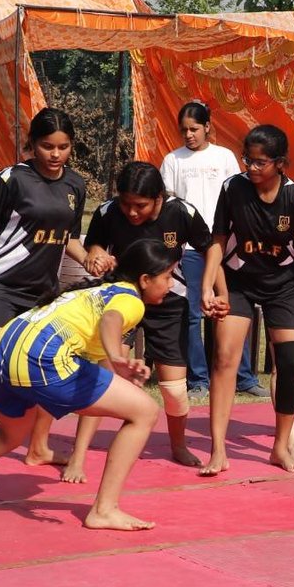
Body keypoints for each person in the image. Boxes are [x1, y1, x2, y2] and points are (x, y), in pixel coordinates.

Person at [0, 239, 174, 531]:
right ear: (145, 280)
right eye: (168, 276)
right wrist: (117, 357)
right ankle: (104, 510)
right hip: (41, 358)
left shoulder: (94, 290)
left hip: (0, 353)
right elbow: (111, 320)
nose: (171, 284)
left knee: (8, 434)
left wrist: (114, 364)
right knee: (145, 411)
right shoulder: (130, 300)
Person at [0, 107, 89, 492]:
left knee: (39, 368)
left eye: (63, 147)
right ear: (32, 144)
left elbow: (69, 239)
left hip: (41, 293)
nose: (55, 154)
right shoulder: (11, 179)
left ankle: (38, 448)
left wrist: (89, 257)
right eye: (47, 146)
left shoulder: (75, 186)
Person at [61, 161, 212, 483]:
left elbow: (210, 247)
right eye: (126, 204)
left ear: (158, 198)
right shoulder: (107, 212)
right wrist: (95, 256)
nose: (131, 212)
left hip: (168, 302)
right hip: (122, 299)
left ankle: (178, 445)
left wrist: (212, 288)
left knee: (174, 389)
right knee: (103, 380)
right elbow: (93, 244)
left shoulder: (181, 212)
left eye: (140, 205)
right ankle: (77, 455)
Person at [201, 124, 294, 475]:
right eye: (248, 160)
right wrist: (208, 287)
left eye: (260, 162)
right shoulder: (233, 188)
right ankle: (218, 450)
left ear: (280, 163)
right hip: (239, 283)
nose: (252, 167)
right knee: (224, 358)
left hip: (283, 286)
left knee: (291, 362)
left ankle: (280, 446)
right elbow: (217, 239)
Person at [158, 100, 269, 400]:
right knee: (193, 313)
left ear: (207, 127)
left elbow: (239, 196)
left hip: (225, 247)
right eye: (184, 130)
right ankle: (198, 380)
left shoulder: (224, 157)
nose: (189, 135)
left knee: (232, 310)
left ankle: (243, 377)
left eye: (194, 129)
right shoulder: (173, 160)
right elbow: (169, 206)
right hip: (190, 249)